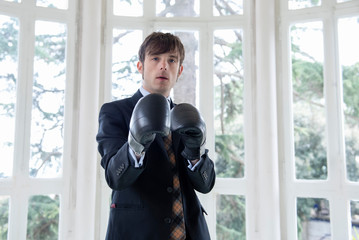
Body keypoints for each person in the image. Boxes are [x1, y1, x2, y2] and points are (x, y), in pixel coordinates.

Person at [96, 32, 216, 240]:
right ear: (140, 66)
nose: (164, 66)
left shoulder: (186, 116)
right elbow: (115, 178)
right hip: (137, 232)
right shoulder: (115, 111)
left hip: (191, 232)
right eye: (155, 58)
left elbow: (206, 185)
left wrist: (194, 152)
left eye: (171, 60)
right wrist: (135, 145)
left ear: (179, 71)